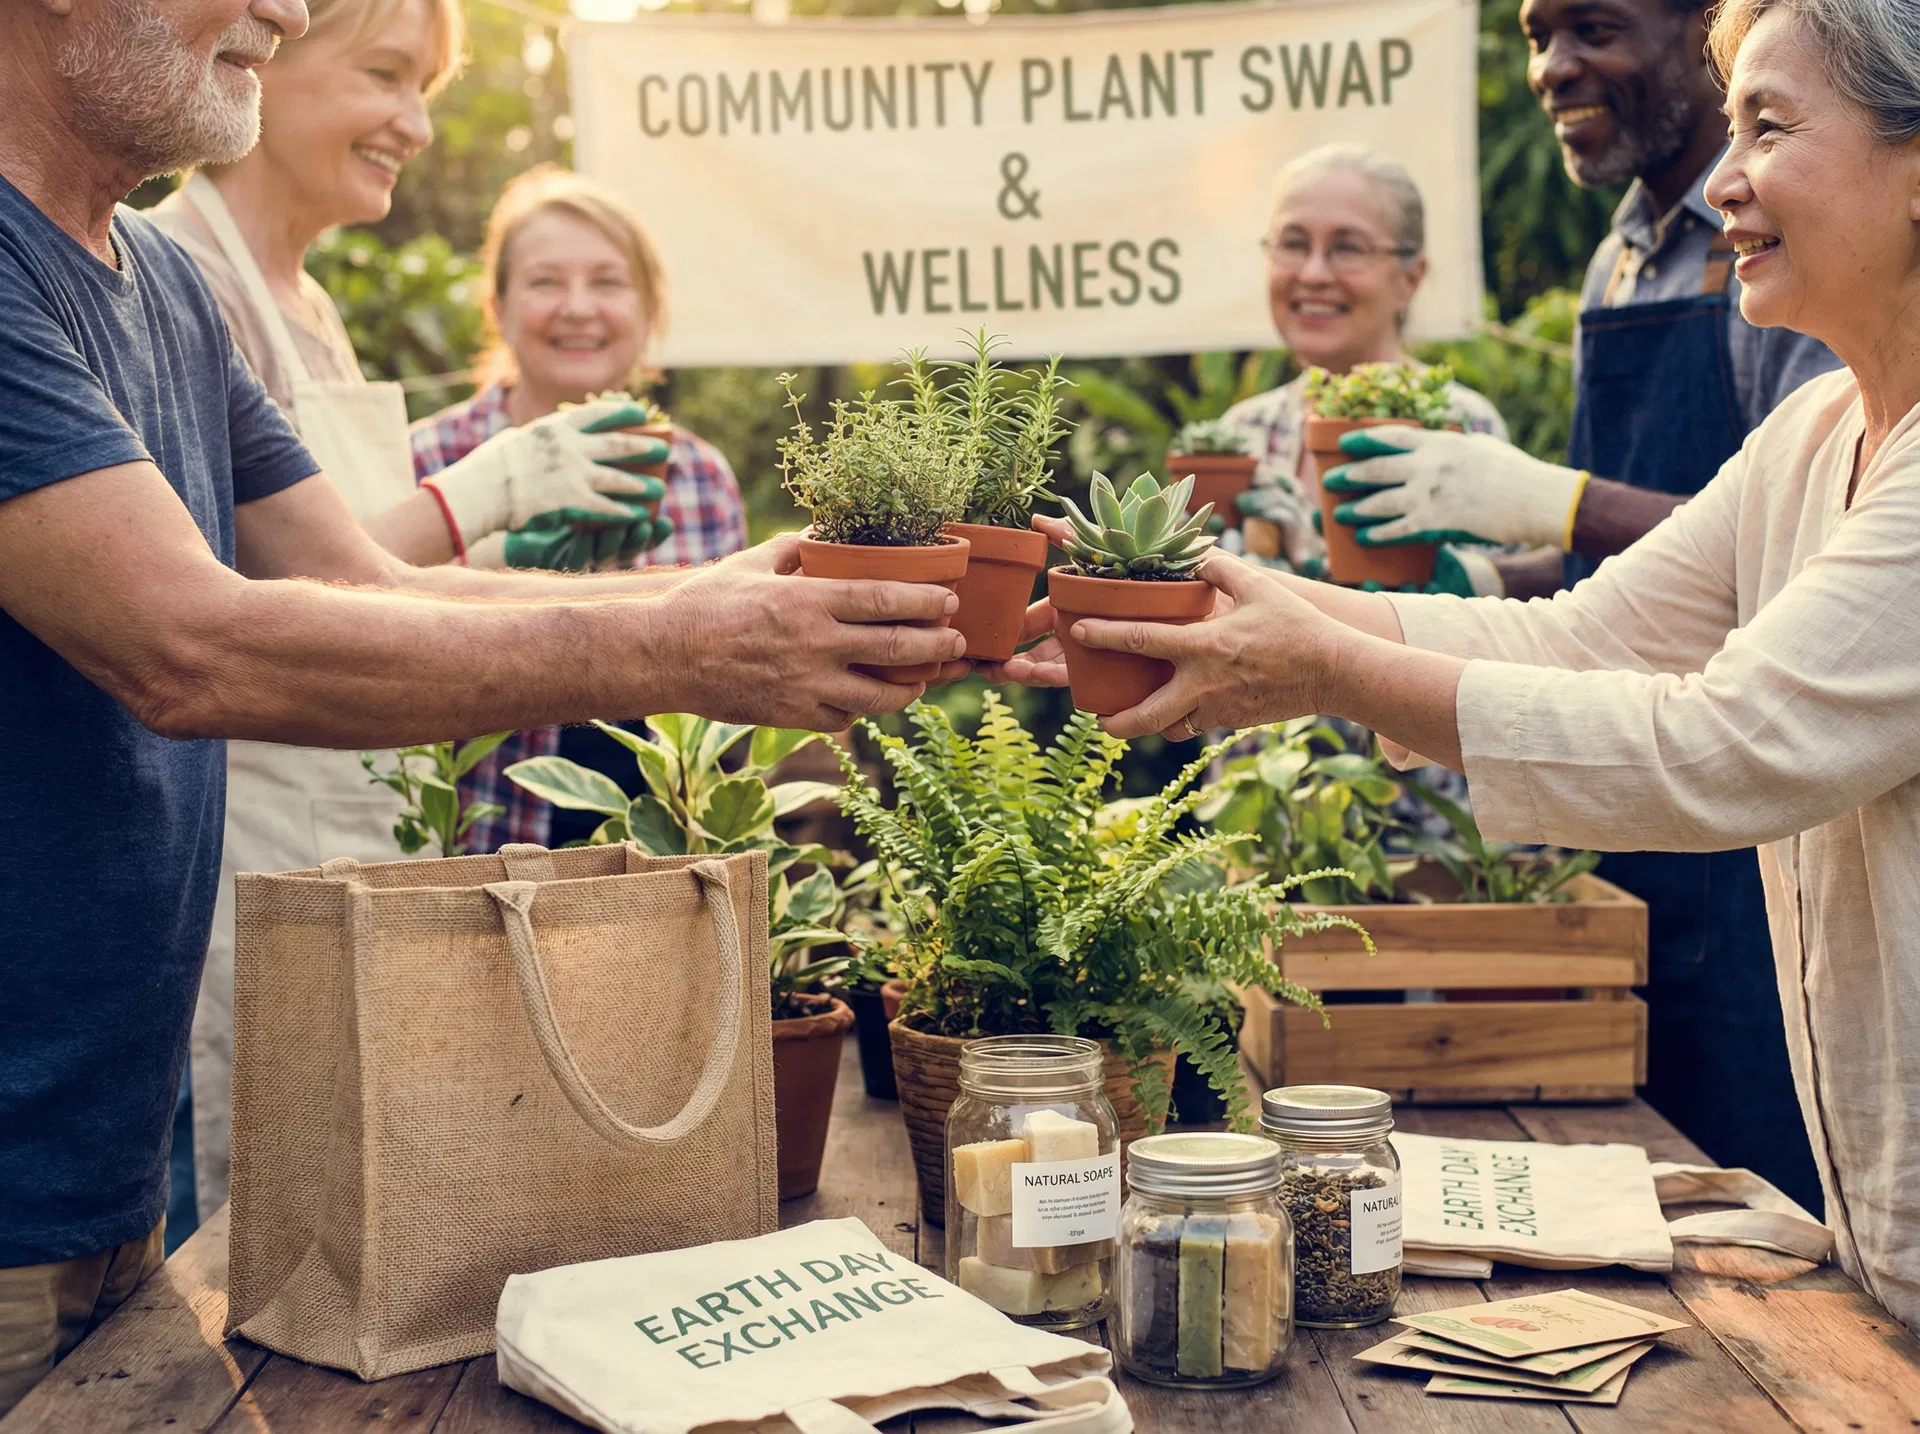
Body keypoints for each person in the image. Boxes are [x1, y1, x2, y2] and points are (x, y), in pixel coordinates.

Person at [0, 0, 964, 1409]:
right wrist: (683, 652)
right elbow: (191, 647)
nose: (287, 7)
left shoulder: (160, 282)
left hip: (101, 1166)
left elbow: (354, 579)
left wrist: (719, 595)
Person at [1011, 0, 1920, 1328]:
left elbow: (1720, 745)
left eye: (1770, 128)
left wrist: (1317, 665)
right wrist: (1251, 599)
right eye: (1730, 128)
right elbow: (1576, 637)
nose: (1724, 180)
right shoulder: (1814, 430)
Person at [140, 0, 679, 1232]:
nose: (419, 124)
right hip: (236, 868)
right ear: (266, 60)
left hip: (359, 842)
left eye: (428, 86)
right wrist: (487, 487)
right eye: (387, 75)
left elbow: (355, 566)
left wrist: (493, 548)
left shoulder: (308, 306)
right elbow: (236, 611)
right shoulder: (186, 286)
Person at [1308, 0, 1845, 1211]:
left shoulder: (1787, 258)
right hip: (1625, 834)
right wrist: (1495, 579)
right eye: (1537, 34)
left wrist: (1553, 498)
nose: (1555, 68)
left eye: (1593, 28)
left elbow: (1806, 576)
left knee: (1780, 1185)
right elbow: (1638, 601)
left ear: (1699, 32)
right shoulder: (1624, 250)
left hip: (1770, 828)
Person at [412, 167, 749, 855]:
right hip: (477, 866)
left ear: (650, 309)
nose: (577, 307)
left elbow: (732, 718)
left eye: (607, 281)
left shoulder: (702, 478)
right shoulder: (429, 460)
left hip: (659, 875)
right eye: (544, 281)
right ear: (498, 307)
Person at [1218, 144, 1509, 588]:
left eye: (1347, 249)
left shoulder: (1461, 424)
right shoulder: (1242, 433)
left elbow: (1497, 623)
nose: (1313, 274)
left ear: (1409, 279)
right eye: (1293, 244)